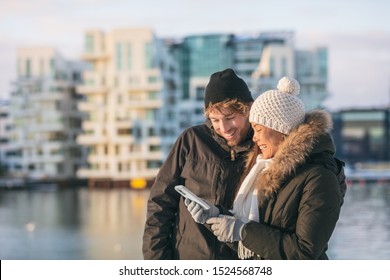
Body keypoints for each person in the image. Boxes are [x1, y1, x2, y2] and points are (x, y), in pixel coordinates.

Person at [186, 77, 347, 259]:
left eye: (258, 129)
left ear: (280, 128)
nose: (254, 138)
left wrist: (243, 231)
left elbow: (304, 252)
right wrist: (215, 216)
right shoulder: (267, 172)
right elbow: (257, 243)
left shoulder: (319, 178)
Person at [142, 68, 255, 259]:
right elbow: (160, 204)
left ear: (248, 109)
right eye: (215, 120)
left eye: (230, 118)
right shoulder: (191, 141)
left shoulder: (261, 148)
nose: (224, 128)